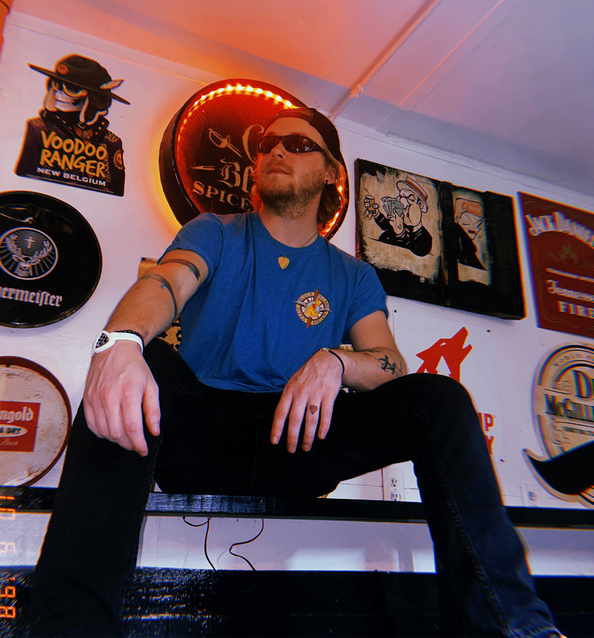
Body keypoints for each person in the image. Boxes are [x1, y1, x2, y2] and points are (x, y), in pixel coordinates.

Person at [29, 107, 563, 637]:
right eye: (268, 143)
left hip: (297, 436)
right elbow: (168, 280)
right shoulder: (215, 230)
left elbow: (390, 365)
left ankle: (512, 628)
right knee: (137, 360)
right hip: (205, 432)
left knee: (439, 400)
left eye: (299, 144)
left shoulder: (354, 275)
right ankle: (71, 629)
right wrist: (120, 341)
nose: (277, 150)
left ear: (331, 172)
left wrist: (338, 360)